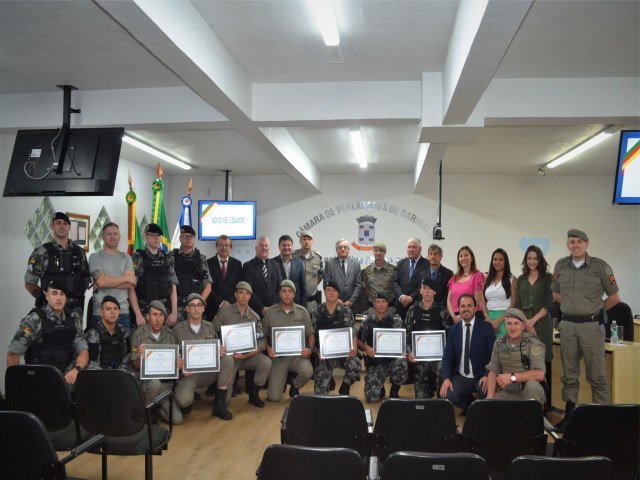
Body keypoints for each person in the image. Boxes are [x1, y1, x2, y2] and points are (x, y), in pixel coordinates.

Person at [551, 229, 619, 430]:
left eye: (579, 241)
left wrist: (594, 311)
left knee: (596, 375)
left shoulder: (600, 267)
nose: (575, 245)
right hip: (568, 326)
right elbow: (555, 294)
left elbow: (614, 297)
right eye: (572, 242)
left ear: (587, 244)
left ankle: (603, 419)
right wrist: (572, 307)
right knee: (569, 374)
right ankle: (570, 416)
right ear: (568, 245)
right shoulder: (560, 266)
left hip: (591, 327)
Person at [7, 279, 88, 385]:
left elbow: (83, 352)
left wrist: (76, 369)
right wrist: (16, 387)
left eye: (62, 294)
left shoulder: (73, 319)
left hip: (66, 380)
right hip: (38, 380)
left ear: (66, 297)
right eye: (54, 294)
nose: (58, 298)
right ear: (46, 296)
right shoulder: (33, 320)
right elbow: (13, 354)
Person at [173, 293, 234, 420]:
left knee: (227, 358)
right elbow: (172, 356)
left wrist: (221, 350)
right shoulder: (177, 330)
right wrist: (177, 363)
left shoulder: (209, 327)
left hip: (207, 373)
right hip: (188, 375)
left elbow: (218, 348)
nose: (196, 308)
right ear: (187, 309)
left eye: (199, 305)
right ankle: (187, 396)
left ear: (203, 308)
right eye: (192, 305)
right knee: (184, 401)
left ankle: (219, 405)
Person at [213, 282, 271, 408]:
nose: (244, 296)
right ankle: (221, 398)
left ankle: (254, 393)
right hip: (229, 359)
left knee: (265, 362)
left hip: (247, 357)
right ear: (235, 294)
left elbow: (261, 343)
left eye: (247, 293)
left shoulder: (255, 317)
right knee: (226, 401)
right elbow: (212, 333)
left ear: (250, 297)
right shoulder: (224, 312)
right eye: (241, 292)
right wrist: (219, 348)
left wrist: (245, 356)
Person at [25, 211, 90, 315]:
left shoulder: (79, 252)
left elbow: (85, 281)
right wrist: (45, 298)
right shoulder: (41, 252)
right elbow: (29, 283)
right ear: (52, 226)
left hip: (75, 311)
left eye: (65, 223)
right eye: (58, 223)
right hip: (49, 312)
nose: (62, 226)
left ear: (69, 227)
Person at [439, 294, 495, 414]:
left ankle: (479, 407)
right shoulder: (454, 330)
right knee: (447, 394)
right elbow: (447, 357)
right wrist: (447, 378)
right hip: (461, 376)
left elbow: (494, 356)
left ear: (475, 308)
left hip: (481, 376)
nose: (466, 309)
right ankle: (471, 405)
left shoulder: (486, 328)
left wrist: (487, 374)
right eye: (462, 306)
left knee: (486, 391)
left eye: (469, 306)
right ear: (458, 309)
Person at [515, 245, 555, 410]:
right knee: (527, 359)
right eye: (529, 258)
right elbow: (518, 304)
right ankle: (530, 401)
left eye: (535, 258)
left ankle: (546, 403)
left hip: (542, 323)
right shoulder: (521, 279)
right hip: (524, 324)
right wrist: (526, 322)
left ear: (540, 260)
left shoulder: (547, 278)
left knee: (544, 360)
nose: (532, 261)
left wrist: (533, 321)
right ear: (526, 260)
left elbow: (549, 302)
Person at [131, 300, 183, 424]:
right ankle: (147, 412)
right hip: (147, 384)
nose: (158, 319)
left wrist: (178, 364)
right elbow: (134, 364)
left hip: (165, 384)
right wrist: (140, 357)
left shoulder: (170, 334)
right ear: (148, 317)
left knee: (177, 420)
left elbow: (176, 362)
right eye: (154, 315)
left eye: (161, 315)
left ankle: (156, 406)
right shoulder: (138, 334)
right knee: (155, 384)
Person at [263, 280, 315, 402]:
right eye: (284, 291)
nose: (287, 294)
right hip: (279, 358)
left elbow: (310, 334)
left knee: (308, 371)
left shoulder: (303, 311)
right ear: (280, 294)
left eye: (290, 291)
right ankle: (283, 379)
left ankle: (294, 385)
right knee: (273, 398)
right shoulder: (270, 312)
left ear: (294, 295)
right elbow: (263, 334)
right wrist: (268, 348)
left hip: (298, 356)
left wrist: (310, 349)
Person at [486, 308, 546, 407]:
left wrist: (512, 377)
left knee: (532, 385)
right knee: (489, 411)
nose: (512, 327)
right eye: (509, 324)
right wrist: (490, 398)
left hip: (527, 392)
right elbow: (493, 370)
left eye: (516, 323)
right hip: (508, 392)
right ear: (505, 326)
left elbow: (540, 374)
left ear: (523, 326)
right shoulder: (499, 343)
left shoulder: (533, 343)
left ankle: (533, 418)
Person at [357, 293, 409, 403]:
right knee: (371, 397)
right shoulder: (367, 322)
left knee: (402, 362)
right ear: (374, 304)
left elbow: (405, 341)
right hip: (376, 364)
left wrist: (407, 352)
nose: (381, 304)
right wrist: (366, 348)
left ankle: (394, 390)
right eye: (378, 302)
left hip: (392, 362)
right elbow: (358, 341)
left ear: (387, 304)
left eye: (383, 302)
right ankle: (380, 388)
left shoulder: (396, 322)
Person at [311, 280, 360, 395]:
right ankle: (328, 381)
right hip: (324, 356)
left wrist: (354, 348)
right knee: (320, 394)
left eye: (334, 290)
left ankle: (345, 386)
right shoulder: (316, 311)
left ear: (338, 294)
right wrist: (315, 350)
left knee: (355, 364)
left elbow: (353, 332)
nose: (331, 293)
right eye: (328, 290)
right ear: (324, 292)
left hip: (343, 353)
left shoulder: (346, 311)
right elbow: (312, 334)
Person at [88, 222, 136, 333]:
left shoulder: (127, 257)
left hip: (122, 312)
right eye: (109, 234)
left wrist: (106, 281)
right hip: (100, 312)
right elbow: (101, 281)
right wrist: (124, 278)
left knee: (123, 349)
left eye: (115, 233)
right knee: (99, 348)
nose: (112, 236)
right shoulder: (95, 257)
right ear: (103, 237)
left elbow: (131, 283)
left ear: (119, 236)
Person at [404, 278, 448, 398]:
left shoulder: (442, 311)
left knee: (443, 368)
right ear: (420, 291)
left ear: (434, 292)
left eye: (429, 288)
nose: (426, 291)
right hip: (418, 357)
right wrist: (409, 352)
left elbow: (449, 338)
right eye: (424, 288)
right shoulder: (412, 310)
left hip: (438, 357)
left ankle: (441, 396)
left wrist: (445, 355)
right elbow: (406, 336)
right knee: (421, 399)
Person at [129, 223, 178, 327]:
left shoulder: (167, 257)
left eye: (158, 236)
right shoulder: (138, 257)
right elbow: (131, 288)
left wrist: (174, 312)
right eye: (152, 235)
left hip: (165, 311)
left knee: (166, 341)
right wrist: (138, 314)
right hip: (145, 311)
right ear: (146, 237)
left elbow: (173, 286)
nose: (156, 239)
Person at [171, 225, 212, 322]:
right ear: (180, 238)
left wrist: (199, 303)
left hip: (196, 307)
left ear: (194, 239)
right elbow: (170, 284)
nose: (188, 239)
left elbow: (208, 286)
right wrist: (174, 311)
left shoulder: (201, 258)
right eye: (185, 236)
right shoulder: (171, 257)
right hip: (178, 307)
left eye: (191, 236)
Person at [84, 295, 131, 370]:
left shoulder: (123, 331)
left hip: (119, 373)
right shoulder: (93, 332)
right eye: (108, 309)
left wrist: (120, 373)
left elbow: (127, 356)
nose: (113, 312)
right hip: (98, 375)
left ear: (119, 312)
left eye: (115, 309)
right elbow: (92, 364)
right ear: (101, 313)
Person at [242, 236, 283, 318]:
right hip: (254, 312)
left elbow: (280, 288)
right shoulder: (248, 266)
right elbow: (248, 291)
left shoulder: (276, 265)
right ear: (256, 248)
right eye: (261, 245)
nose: (264, 248)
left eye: (266, 245)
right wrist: (262, 308)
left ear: (269, 248)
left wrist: (272, 308)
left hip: (274, 311)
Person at [205, 234, 243, 320]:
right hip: (213, 309)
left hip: (232, 308)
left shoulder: (237, 264)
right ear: (216, 247)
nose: (224, 248)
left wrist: (230, 302)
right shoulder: (207, 263)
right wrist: (221, 302)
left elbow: (239, 286)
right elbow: (206, 287)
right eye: (221, 245)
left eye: (226, 245)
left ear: (230, 248)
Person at [446, 246, 487, 324]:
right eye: (461, 256)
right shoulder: (454, 278)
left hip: (473, 316)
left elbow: (477, 301)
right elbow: (449, 300)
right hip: (455, 318)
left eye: (466, 255)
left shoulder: (477, 276)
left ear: (471, 258)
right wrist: (453, 317)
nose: (463, 258)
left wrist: (462, 316)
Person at [392, 238, 428, 319]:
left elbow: (424, 285)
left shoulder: (427, 264)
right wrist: (401, 296)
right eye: (409, 247)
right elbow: (395, 283)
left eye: (414, 247)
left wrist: (411, 297)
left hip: (417, 306)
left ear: (420, 249)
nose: (411, 249)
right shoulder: (401, 263)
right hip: (400, 306)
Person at [483, 248, 516, 338]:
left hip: (505, 319)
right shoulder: (487, 279)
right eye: (495, 259)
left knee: (504, 349)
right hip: (488, 319)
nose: (497, 262)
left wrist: (498, 321)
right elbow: (483, 302)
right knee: (488, 350)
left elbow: (513, 304)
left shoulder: (512, 279)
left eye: (501, 259)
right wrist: (488, 319)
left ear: (506, 262)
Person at [323, 239, 362, 308]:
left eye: (345, 247)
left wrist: (351, 301)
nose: (343, 249)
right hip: (334, 303)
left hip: (352, 305)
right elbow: (326, 284)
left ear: (349, 249)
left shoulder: (356, 264)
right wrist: (336, 299)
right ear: (336, 250)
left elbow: (358, 285)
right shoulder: (329, 264)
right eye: (340, 247)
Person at [293, 230, 324, 314]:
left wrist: (311, 286)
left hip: (312, 302)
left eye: (309, 239)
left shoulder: (318, 257)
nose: (307, 241)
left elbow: (320, 275)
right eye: (304, 239)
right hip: (296, 301)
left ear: (312, 241)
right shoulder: (293, 256)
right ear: (300, 241)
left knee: (312, 326)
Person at [272, 234, 307, 308]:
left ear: (292, 247)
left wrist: (304, 308)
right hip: (278, 305)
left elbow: (303, 288)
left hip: (296, 304)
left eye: (289, 245)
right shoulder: (272, 262)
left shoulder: (299, 263)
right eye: (283, 245)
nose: (286, 247)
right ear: (279, 247)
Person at [362, 242, 396, 312]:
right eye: (376, 250)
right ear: (373, 252)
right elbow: (366, 289)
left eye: (381, 250)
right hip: (372, 308)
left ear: (385, 253)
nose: (378, 253)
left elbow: (395, 287)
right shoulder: (367, 270)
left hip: (389, 308)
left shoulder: (392, 269)